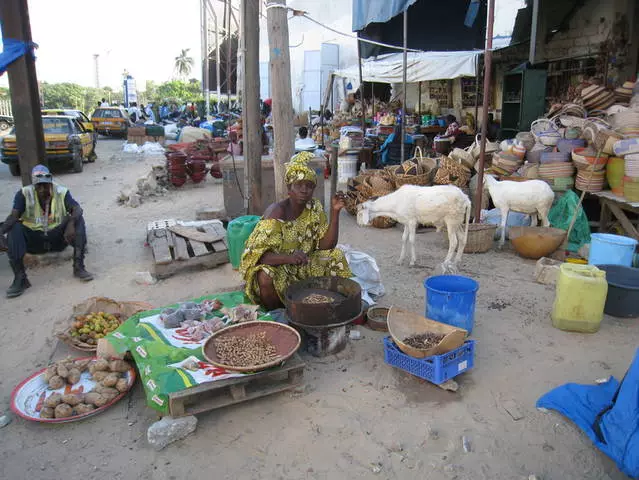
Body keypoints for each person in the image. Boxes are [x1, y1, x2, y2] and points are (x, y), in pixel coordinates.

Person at [240, 152, 352, 310]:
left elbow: (327, 246)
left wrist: (335, 213)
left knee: (336, 255)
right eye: (298, 185)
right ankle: (280, 313)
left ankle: (328, 304)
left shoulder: (314, 208)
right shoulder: (276, 213)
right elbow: (256, 256)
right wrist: (289, 258)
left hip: (304, 264)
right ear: (289, 188)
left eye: (309, 186)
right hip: (281, 267)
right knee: (265, 276)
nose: (304, 190)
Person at [0, 165, 93, 298]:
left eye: (46, 185)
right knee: (15, 228)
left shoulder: (61, 192)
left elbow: (77, 208)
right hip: (34, 240)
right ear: (34, 186)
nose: (43, 189)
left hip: (58, 238)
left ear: (50, 183)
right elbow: (14, 217)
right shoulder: (24, 194)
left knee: (78, 220)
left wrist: (71, 223)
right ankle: (20, 278)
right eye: (39, 186)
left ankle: (79, 266)